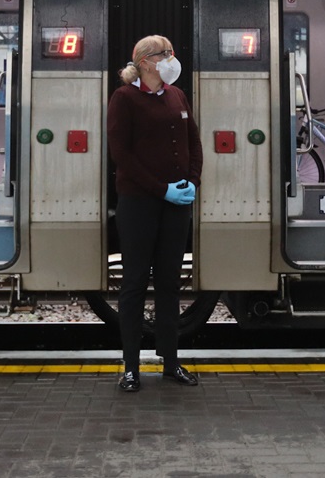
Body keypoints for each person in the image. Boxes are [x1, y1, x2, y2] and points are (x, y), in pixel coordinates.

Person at [106, 35, 204, 393]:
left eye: (172, 52)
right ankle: (131, 367)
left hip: (175, 205)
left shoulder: (177, 96)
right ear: (145, 62)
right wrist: (160, 188)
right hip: (139, 204)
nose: (172, 58)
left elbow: (193, 142)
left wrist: (191, 181)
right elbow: (123, 156)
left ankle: (171, 361)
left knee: (169, 283)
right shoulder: (124, 98)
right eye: (166, 54)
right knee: (133, 283)